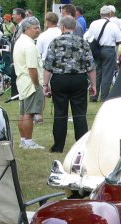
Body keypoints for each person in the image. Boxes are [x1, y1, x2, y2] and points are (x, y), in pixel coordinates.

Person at [43, 16, 96, 153]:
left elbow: (48, 66)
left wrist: (45, 84)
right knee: (80, 114)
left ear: (62, 27)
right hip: (79, 79)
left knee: (60, 113)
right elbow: (91, 66)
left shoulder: (55, 42)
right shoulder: (83, 42)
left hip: (60, 79)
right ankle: (81, 146)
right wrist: (94, 85)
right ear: (74, 27)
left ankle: (58, 146)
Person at [13, 16, 43, 148]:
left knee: (23, 112)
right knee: (29, 114)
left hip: (22, 81)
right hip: (30, 83)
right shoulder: (29, 45)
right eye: (35, 28)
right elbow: (32, 68)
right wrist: (37, 84)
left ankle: (24, 140)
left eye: (39, 27)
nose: (38, 30)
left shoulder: (20, 41)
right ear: (26, 29)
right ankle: (29, 141)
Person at [85, 5, 121, 101]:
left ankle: (94, 96)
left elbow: (88, 37)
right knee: (107, 74)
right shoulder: (113, 25)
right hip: (108, 50)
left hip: (96, 50)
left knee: (96, 73)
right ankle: (104, 97)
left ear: (100, 14)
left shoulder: (93, 23)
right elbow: (120, 39)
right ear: (109, 14)